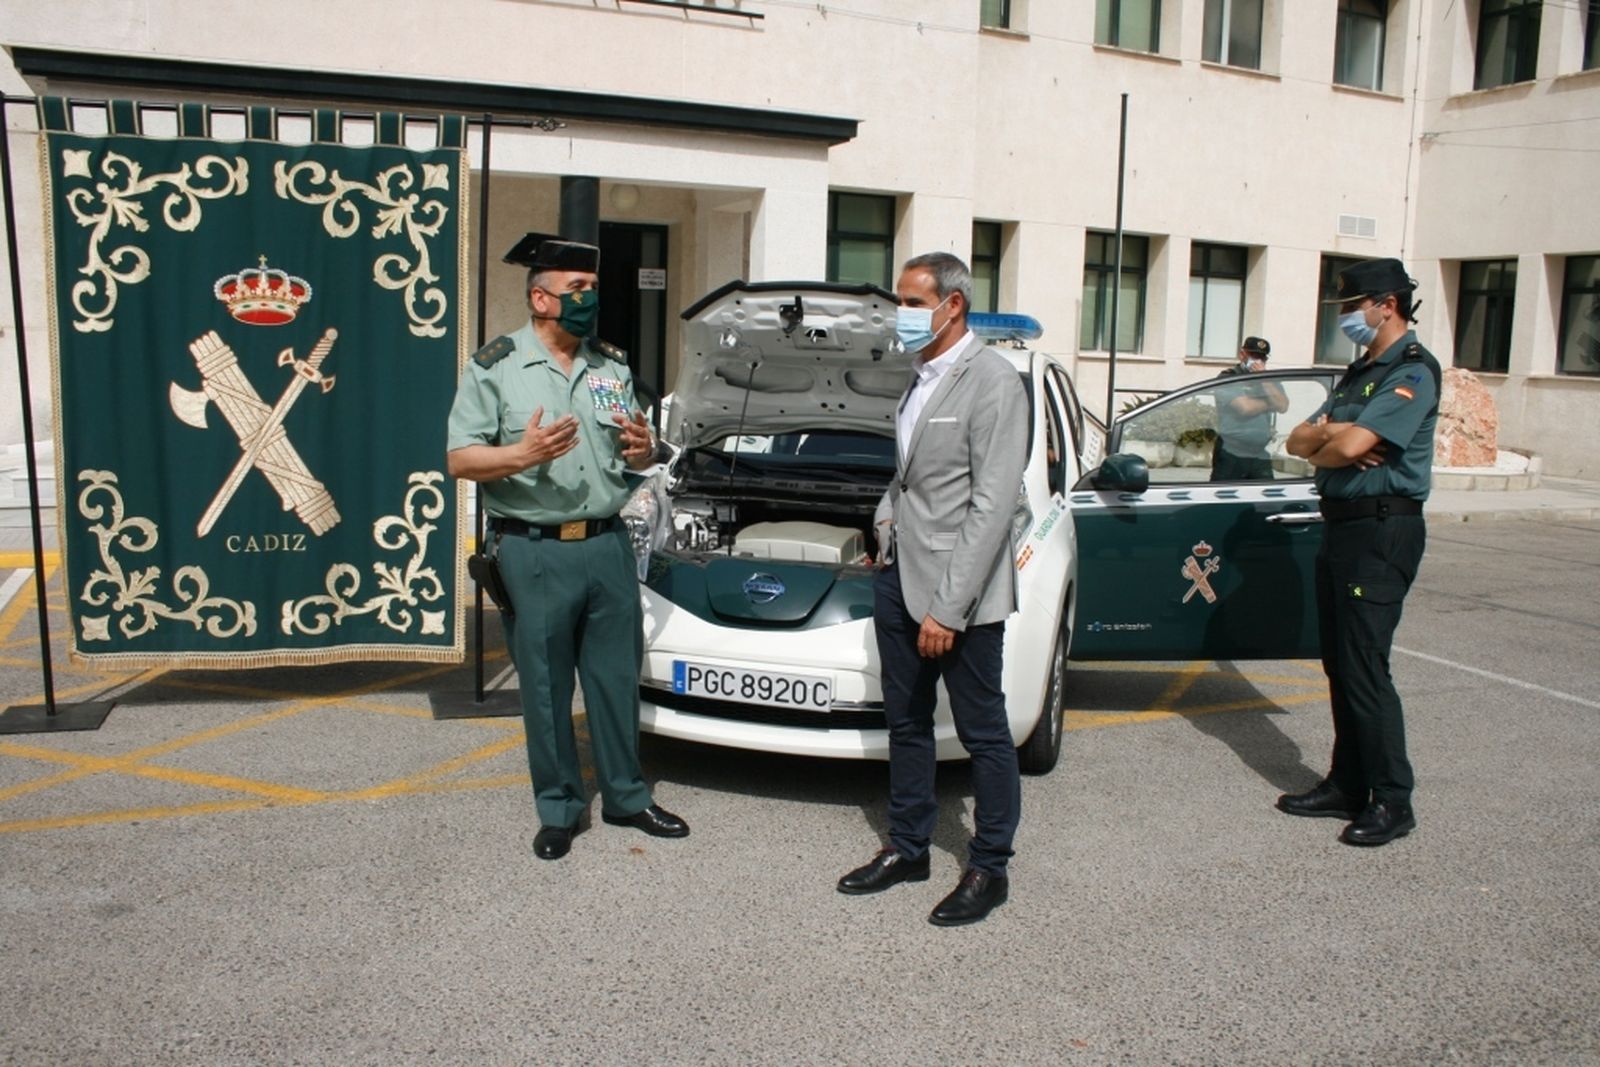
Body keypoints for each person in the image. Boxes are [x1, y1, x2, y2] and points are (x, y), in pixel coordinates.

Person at [446, 232, 688, 861]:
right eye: (575, 290)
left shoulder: (611, 365)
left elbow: (635, 447)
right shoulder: (495, 366)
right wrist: (520, 455)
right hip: (535, 549)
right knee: (547, 687)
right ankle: (559, 808)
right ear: (540, 298)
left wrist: (644, 452)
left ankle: (628, 798)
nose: (587, 300)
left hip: (606, 544)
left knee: (613, 680)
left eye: (591, 290)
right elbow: (459, 457)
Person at [837, 252, 1029, 925]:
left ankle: (990, 866)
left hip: (962, 598)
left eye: (914, 301)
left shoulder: (995, 381)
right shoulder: (917, 377)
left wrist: (949, 606)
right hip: (898, 577)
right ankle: (910, 845)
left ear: (953, 305)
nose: (902, 314)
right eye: (900, 300)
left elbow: (992, 504)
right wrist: (883, 527)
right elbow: (911, 475)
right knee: (907, 722)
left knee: (983, 731)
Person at [1280, 257, 1440, 847]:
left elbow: (1344, 440)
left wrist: (1335, 437)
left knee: (1366, 665)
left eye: (1353, 306)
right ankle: (1348, 782)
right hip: (1342, 526)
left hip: (1381, 529)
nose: (1348, 316)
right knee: (1340, 664)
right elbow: (1300, 439)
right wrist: (1331, 441)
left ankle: (1393, 799)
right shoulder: (1358, 374)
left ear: (1387, 305)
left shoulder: (1414, 370)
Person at [1211, 336, 1289, 481]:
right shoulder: (1229, 377)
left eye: (1262, 357)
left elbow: (1283, 406)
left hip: (1259, 454)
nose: (1258, 361)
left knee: (1265, 500)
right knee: (1223, 500)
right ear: (1242, 355)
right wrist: (1269, 402)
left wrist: (1264, 379)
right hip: (1231, 453)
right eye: (1254, 355)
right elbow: (1245, 408)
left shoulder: (1269, 379)